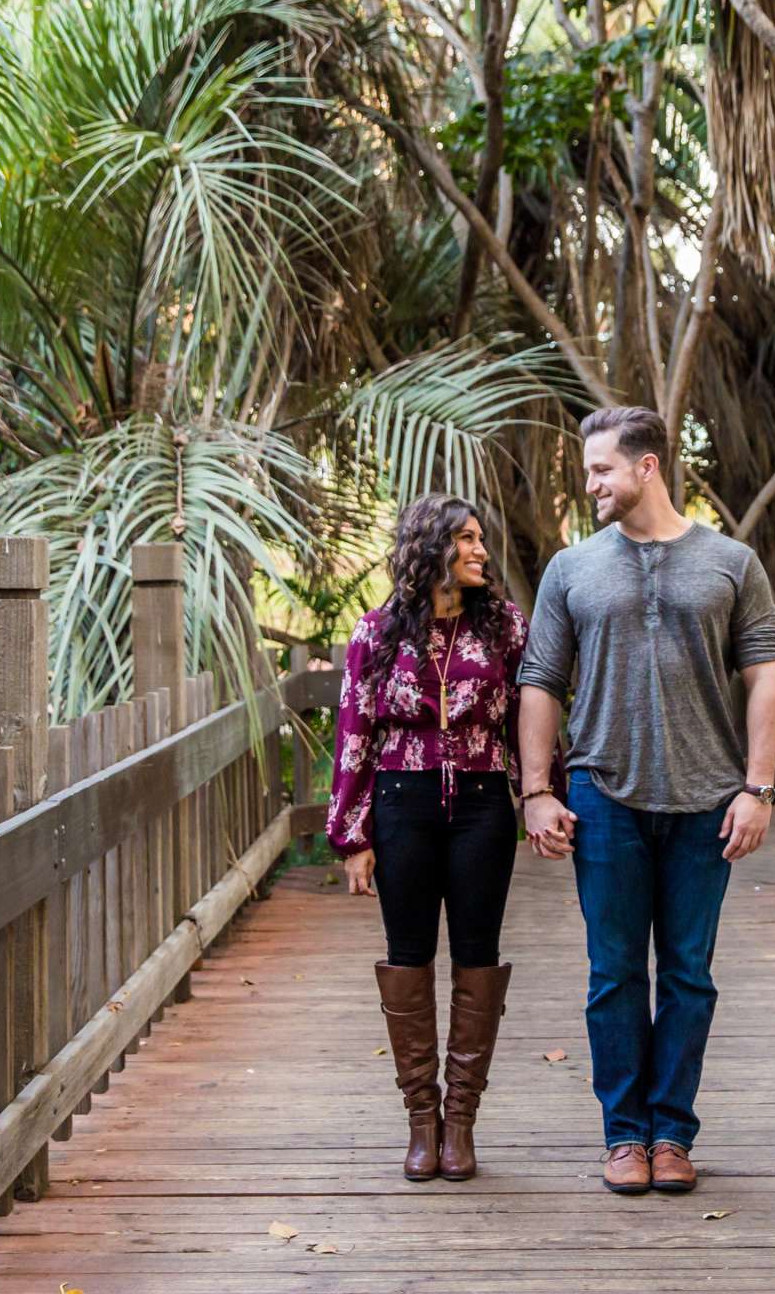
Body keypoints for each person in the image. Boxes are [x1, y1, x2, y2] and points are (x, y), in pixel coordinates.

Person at [516, 405, 775, 1197]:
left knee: (689, 975)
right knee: (612, 975)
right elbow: (538, 682)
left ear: (647, 467)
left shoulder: (731, 563)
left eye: (602, 468)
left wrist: (759, 789)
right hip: (603, 796)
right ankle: (624, 1136)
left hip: (708, 801)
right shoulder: (571, 569)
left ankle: (672, 1131)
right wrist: (536, 791)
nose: (590, 482)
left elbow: (765, 673)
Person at [326, 494, 528, 1182]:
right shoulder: (376, 633)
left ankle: (462, 1122)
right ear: (429, 548)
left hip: (481, 807)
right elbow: (354, 731)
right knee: (407, 956)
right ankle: (421, 1117)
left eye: (481, 539)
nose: (480, 551)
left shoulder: (506, 630)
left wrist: (539, 795)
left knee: (478, 954)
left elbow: (528, 723)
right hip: (400, 803)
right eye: (466, 540)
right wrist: (352, 833)